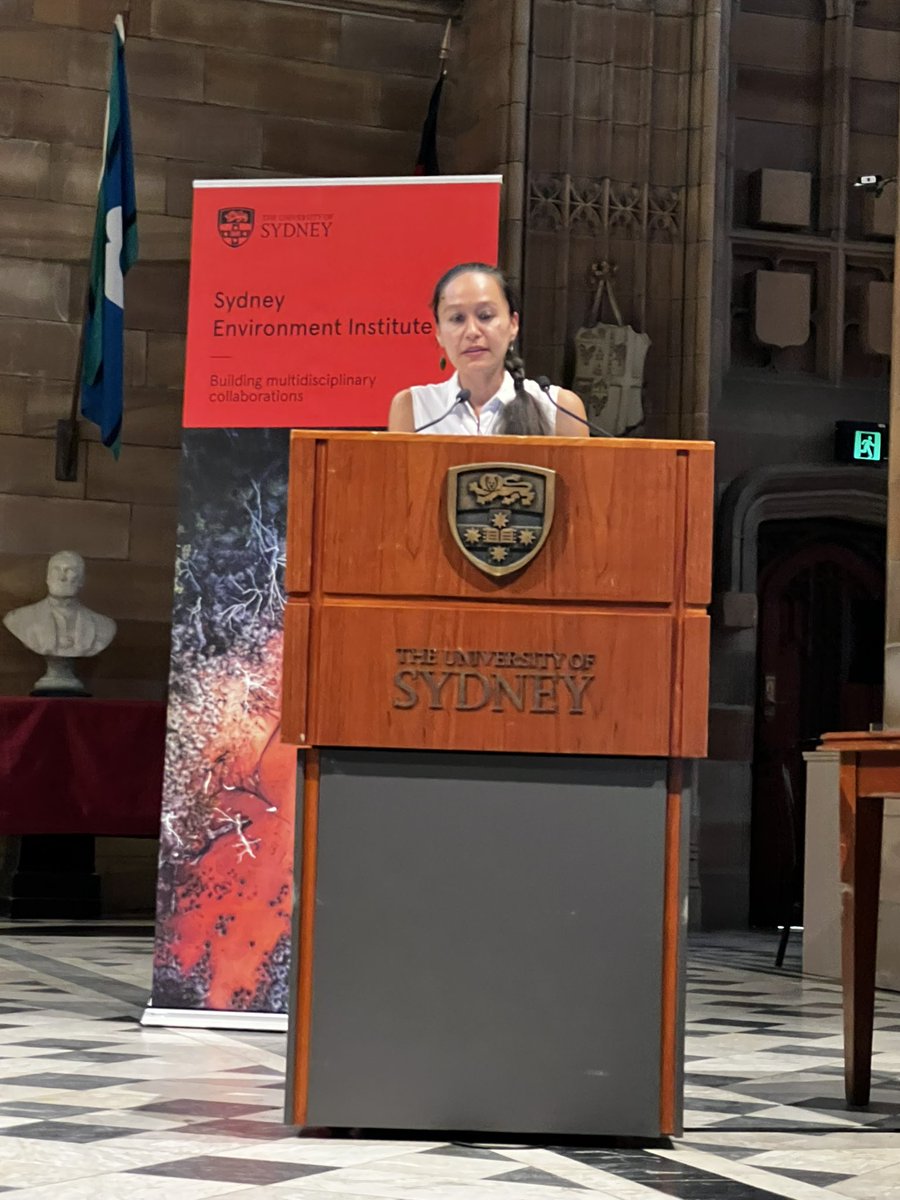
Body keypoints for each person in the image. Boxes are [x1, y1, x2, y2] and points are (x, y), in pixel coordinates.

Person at [388, 262, 589, 436]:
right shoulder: (413, 407)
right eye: (457, 318)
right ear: (439, 332)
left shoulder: (559, 408)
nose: (472, 332)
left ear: (513, 324)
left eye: (485, 316)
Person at [3, 550, 116, 660]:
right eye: (56, 570)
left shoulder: (104, 626)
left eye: (69, 571)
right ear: (48, 578)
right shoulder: (19, 619)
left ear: (82, 580)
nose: (62, 577)